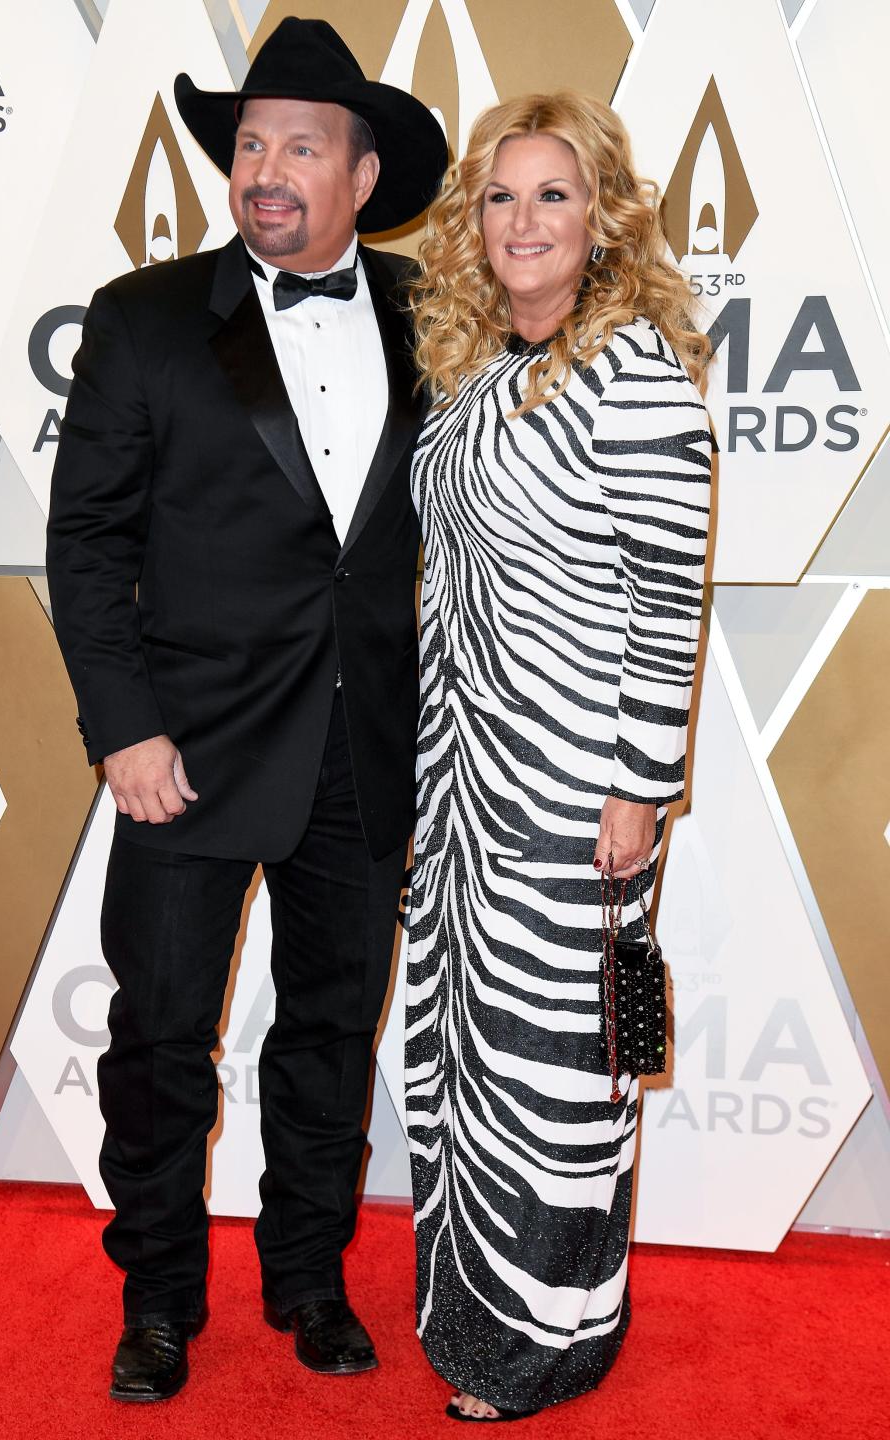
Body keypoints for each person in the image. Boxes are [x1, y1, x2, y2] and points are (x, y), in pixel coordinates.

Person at [46, 17, 446, 1404]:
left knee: (331, 1032)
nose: (265, 169)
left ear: (363, 169)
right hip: (188, 754)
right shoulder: (144, 316)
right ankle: (157, 1299)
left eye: (301, 146)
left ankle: (308, 1279)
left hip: (363, 749)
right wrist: (122, 726)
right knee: (161, 1044)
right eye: (250, 143)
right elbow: (88, 542)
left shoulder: (428, 314)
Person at [405, 91, 712, 1422]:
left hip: (576, 794)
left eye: (553, 195)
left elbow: (667, 602)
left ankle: (545, 1341)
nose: (523, 222)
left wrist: (639, 789)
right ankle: (474, 1311)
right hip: (468, 787)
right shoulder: (480, 378)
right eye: (501, 197)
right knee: (462, 1055)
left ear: (603, 220)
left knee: (554, 1079)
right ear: (475, 224)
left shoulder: (633, 378)